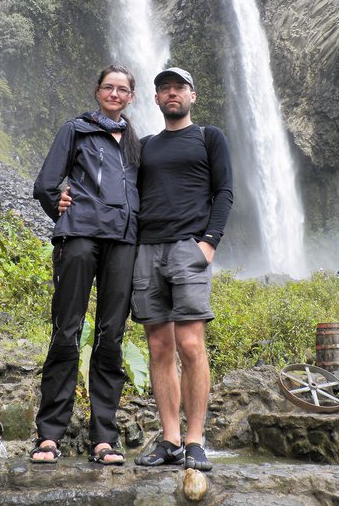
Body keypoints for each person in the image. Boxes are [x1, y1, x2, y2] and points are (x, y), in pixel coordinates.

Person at [30, 64, 140, 465]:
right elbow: (45, 184)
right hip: (79, 239)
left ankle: (104, 438)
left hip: (124, 242)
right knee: (67, 330)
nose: (114, 93)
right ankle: (49, 435)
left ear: (131, 97)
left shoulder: (135, 142)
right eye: (108, 87)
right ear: (97, 92)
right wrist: (57, 207)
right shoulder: (75, 129)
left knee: (111, 337)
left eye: (122, 89)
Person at [132, 67, 233, 471]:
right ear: (156, 99)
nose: (171, 94)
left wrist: (210, 241)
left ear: (192, 95)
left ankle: (195, 441)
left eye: (179, 88)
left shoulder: (210, 137)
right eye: (164, 89)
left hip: (188, 248)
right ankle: (170, 439)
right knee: (159, 346)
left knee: (190, 344)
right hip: (146, 249)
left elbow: (224, 191)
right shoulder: (144, 147)